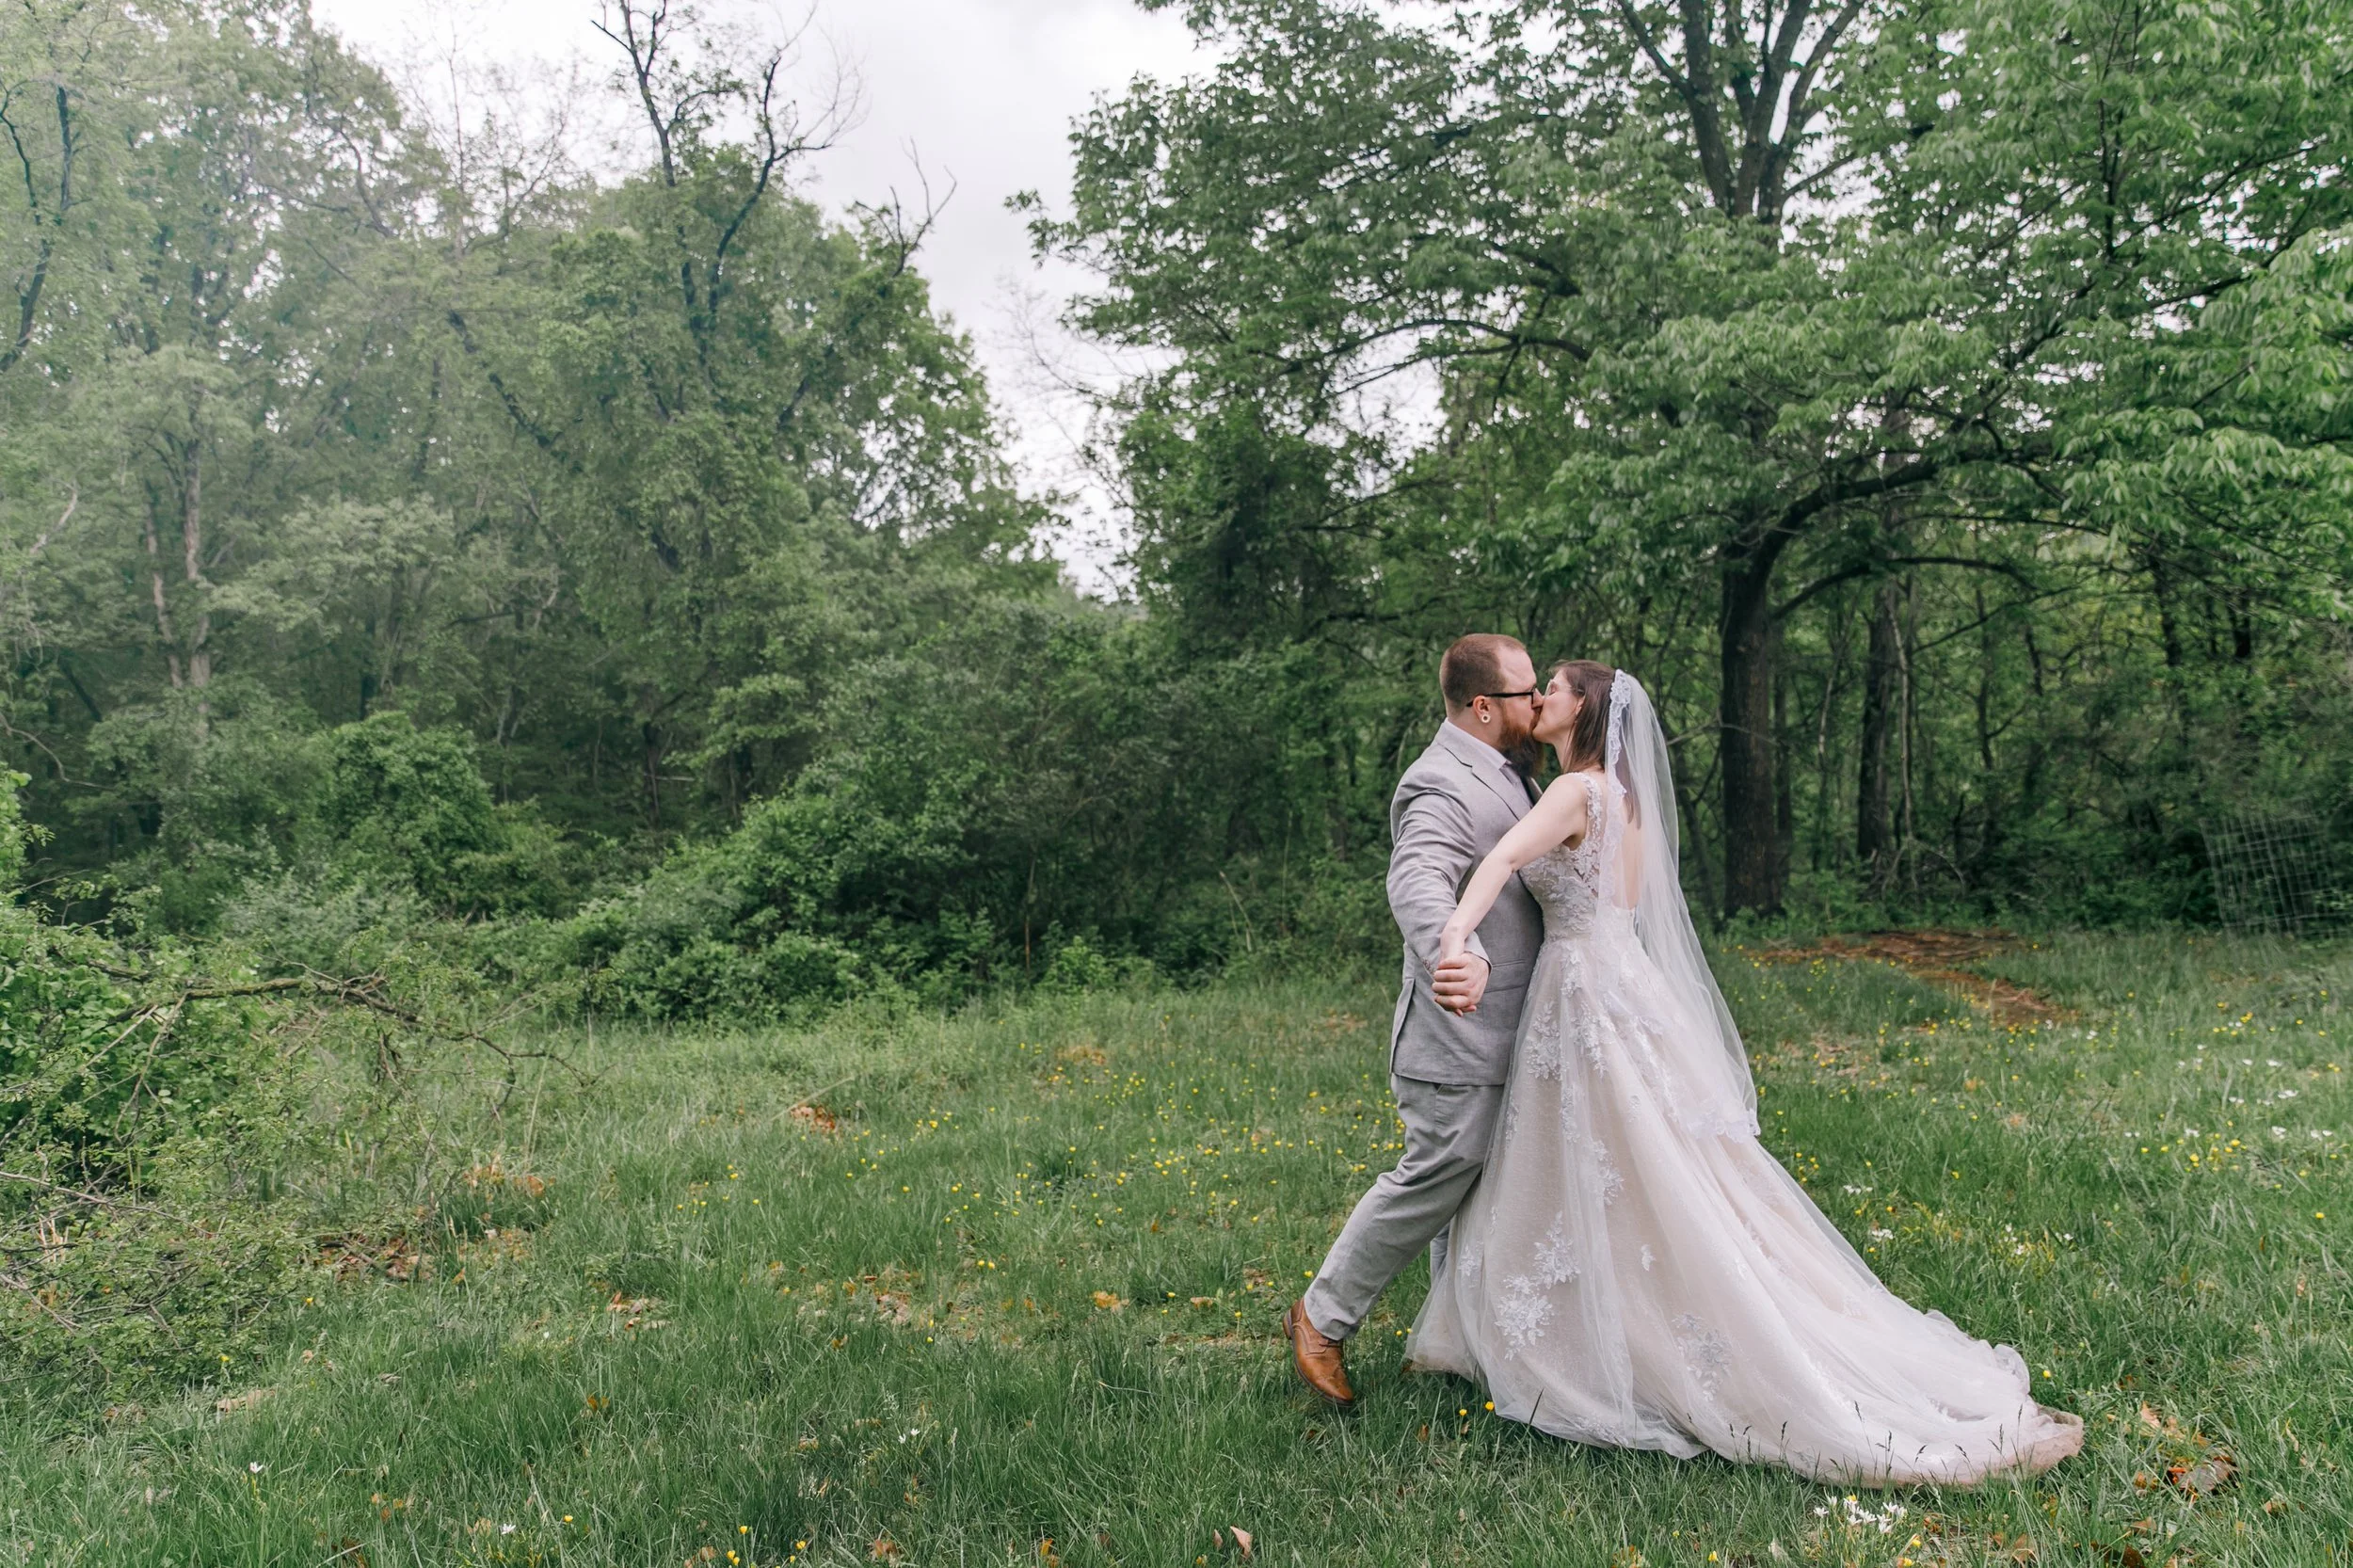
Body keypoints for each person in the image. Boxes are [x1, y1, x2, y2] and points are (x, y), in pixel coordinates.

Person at [1406, 660, 2084, 1484]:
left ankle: (1593, 1333)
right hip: (1621, 981)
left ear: (1584, 709)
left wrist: (1454, 938)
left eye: (1553, 684)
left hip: (1580, 989)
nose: (1540, 695)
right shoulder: (1629, 806)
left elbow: (1500, 863)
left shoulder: (1572, 794)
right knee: (1647, 1161)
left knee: (1605, 1157)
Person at [1286, 633, 1549, 1407]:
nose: (1537, 706)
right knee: (1441, 1169)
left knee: (1472, 1186)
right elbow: (1416, 880)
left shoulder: (1512, 775)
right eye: (1525, 695)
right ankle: (1322, 1316)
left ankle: (1450, 1345)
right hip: (1457, 1031)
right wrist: (1452, 952)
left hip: (1514, 1028)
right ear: (1482, 708)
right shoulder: (1440, 783)